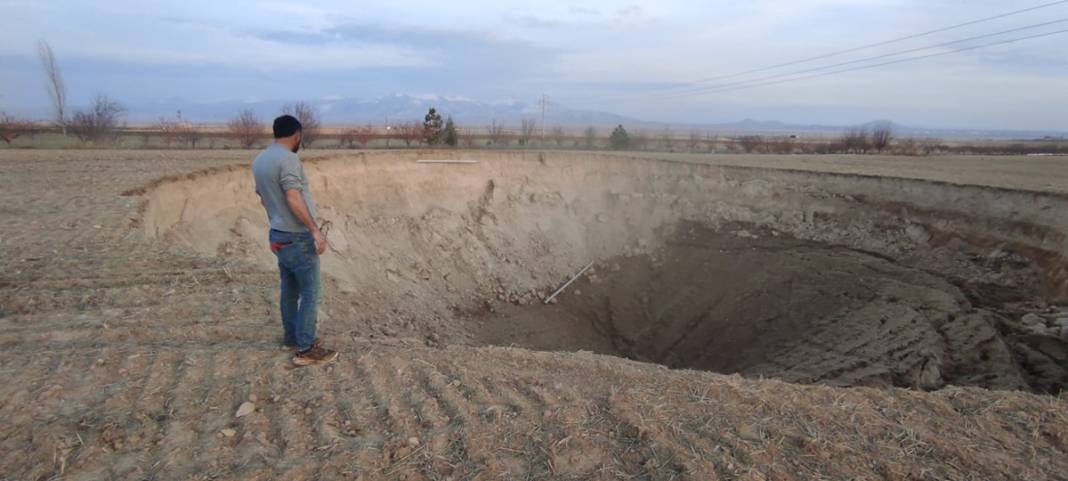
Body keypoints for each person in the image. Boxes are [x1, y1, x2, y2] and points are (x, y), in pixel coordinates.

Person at [252, 114, 338, 366]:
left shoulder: (260, 160)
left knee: (289, 289)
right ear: (297, 134)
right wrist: (314, 230)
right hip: (296, 236)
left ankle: (291, 338)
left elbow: (263, 198)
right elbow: (293, 195)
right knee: (311, 292)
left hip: (278, 234)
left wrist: (277, 219)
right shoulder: (288, 159)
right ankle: (306, 349)